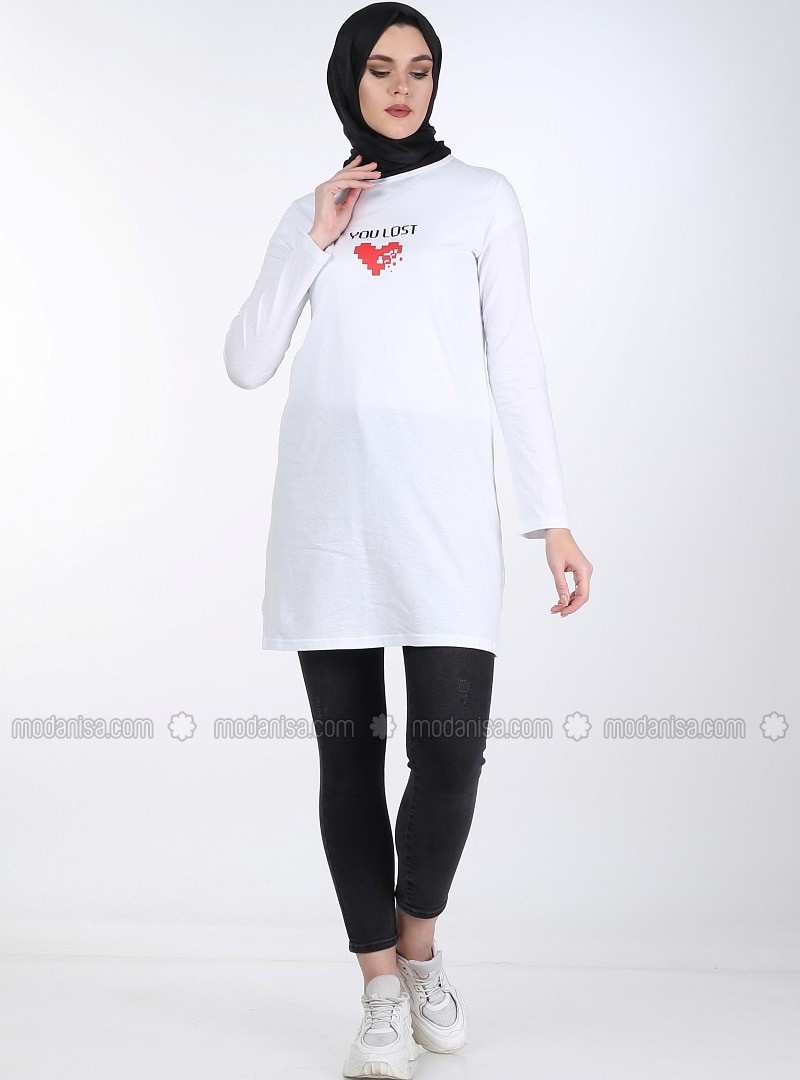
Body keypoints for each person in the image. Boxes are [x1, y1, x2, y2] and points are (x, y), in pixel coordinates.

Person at [223, 3, 593, 1076]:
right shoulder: (312, 209)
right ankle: (378, 987)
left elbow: (514, 360)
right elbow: (247, 362)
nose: (399, 87)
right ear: (348, 79)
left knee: (449, 756)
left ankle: (418, 945)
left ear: (436, 82)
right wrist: (317, 235)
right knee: (350, 757)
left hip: (441, 517)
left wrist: (551, 519)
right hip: (329, 520)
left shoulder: (481, 198)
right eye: (380, 68)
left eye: (418, 69)